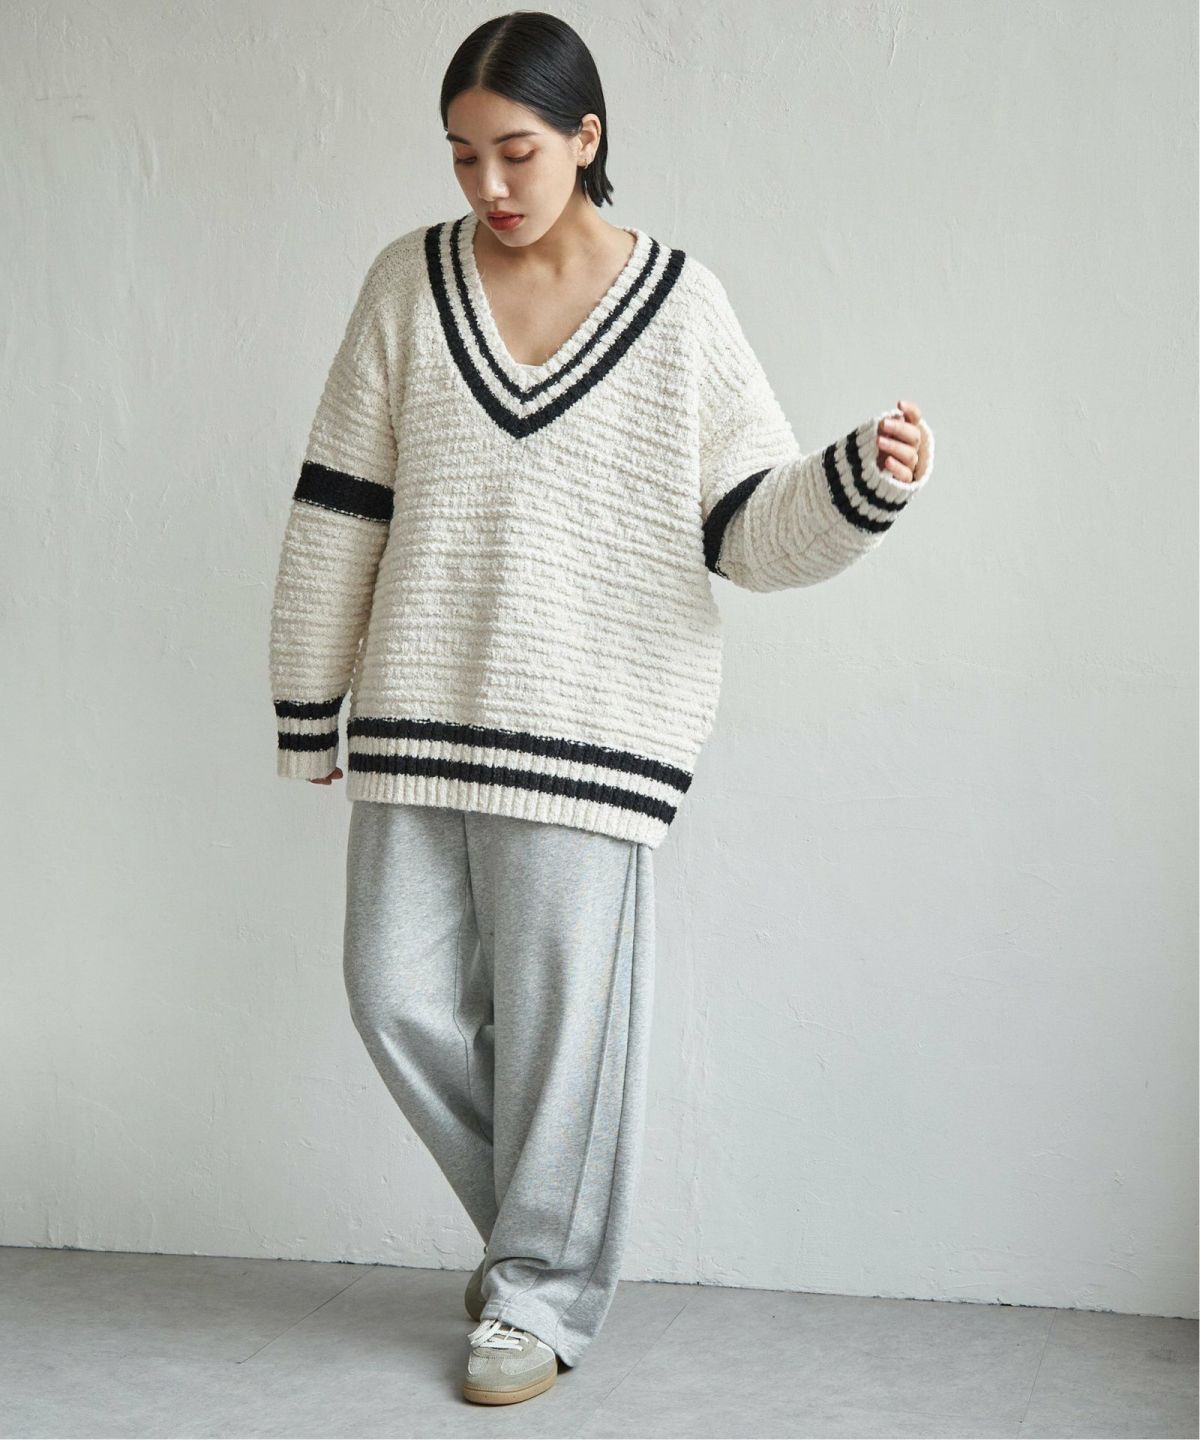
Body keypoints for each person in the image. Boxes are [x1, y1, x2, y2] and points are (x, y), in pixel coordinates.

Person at [267, 10, 936, 1409]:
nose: (489, 185)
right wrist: (310, 700)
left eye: (516, 151)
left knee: (565, 1032)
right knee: (393, 996)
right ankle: (544, 1244)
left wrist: (860, 482)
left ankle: (539, 1295)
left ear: (587, 136)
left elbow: (749, 528)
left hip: (595, 727)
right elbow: (340, 503)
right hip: (417, 713)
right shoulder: (407, 284)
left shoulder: (682, 308)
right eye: (463, 157)